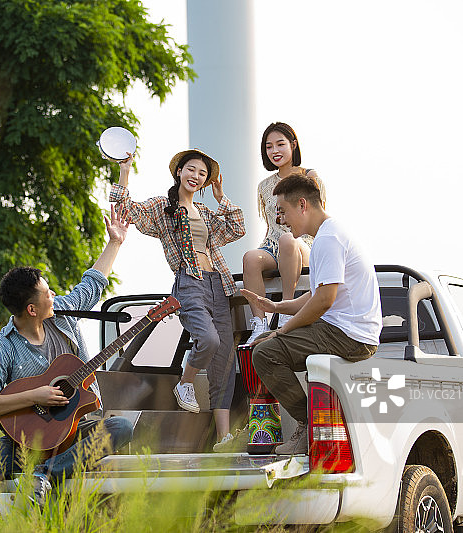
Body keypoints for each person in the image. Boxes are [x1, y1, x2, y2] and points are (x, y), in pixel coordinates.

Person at [0, 205, 134, 505]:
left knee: (121, 427)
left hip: (73, 434)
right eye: (47, 292)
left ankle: (42, 476)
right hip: (25, 443)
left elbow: (92, 283)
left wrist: (115, 241)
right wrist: (35, 396)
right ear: (31, 309)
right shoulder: (3, 346)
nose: (54, 295)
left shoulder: (62, 315)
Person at [110, 149, 245, 450]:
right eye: (192, 170)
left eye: (203, 174)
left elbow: (237, 227)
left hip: (219, 285)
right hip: (189, 282)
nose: (196, 177)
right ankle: (185, 383)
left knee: (224, 361)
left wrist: (221, 196)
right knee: (208, 340)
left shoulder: (207, 213)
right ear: (179, 172)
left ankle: (222, 437)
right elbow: (127, 210)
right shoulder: (164, 207)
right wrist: (125, 172)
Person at [240, 173, 381, 455]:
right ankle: (312, 424)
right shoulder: (327, 235)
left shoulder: (329, 240)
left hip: (349, 335)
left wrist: (283, 330)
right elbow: (316, 295)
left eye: (282, 211)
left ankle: (310, 426)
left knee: (266, 353)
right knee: (265, 341)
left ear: (302, 205)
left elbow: (324, 302)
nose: (279, 220)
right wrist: (277, 307)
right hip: (341, 330)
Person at [242, 122, 327, 343]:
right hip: (273, 245)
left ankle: (284, 311)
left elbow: (318, 215)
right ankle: (259, 324)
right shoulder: (264, 186)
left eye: (280, 144)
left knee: (288, 239)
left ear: (293, 145)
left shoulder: (309, 176)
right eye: (269, 146)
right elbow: (271, 225)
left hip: (303, 243)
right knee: (251, 257)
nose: (275, 151)